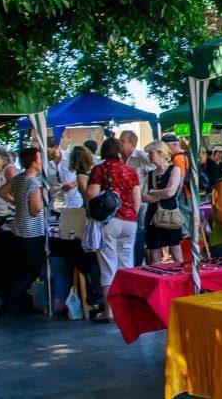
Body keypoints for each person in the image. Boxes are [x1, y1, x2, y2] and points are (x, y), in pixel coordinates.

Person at [88, 138, 141, 322]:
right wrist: (131, 214)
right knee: (125, 265)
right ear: (119, 151)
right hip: (130, 222)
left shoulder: (99, 170)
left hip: (109, 221)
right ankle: (125, 308)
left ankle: (109, 311)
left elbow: (92, 195)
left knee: (108, 267)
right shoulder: (130, 171)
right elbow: (137, 200)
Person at [0, 148, 47, 320]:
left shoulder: (19, 178)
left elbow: (1, 191)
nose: (41, 162)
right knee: (33, 271)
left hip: (19, 230)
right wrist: (43, 199)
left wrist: (17, 202)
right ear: (33, 163)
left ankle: (19, 303)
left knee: (22, 270)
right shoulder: (34, 183)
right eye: (39, 159)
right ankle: (9, 300)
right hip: (33, 232)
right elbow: (35, 209)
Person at [142, 141, 183, 265]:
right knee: (154, 256)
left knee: (177, 254)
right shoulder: (150, 174)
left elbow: (170, 192)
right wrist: (162, 194)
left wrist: (152, 192)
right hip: (153, 217)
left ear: (161, 153)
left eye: (151, 153)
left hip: (171, 216)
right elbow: (144, 196)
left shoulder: (174, 169)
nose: (149, 156)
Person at [119, 130, 154, 266]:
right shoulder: (118, 158)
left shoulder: (141, 157)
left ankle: (138, 263)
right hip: (122, 204)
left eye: (123, 141)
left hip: (139, 203)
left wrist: (146, 192)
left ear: (132, 144)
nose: (120, 143)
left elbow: (153, 172)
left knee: (138, 233)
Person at [48, 138, 82, 210]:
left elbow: (85, 174)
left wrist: (73, 184)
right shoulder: (45, 163)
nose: (48, 154)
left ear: (56, 147)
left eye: (49, 151)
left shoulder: (71, 157)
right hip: (56, 205)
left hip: (74, 202)